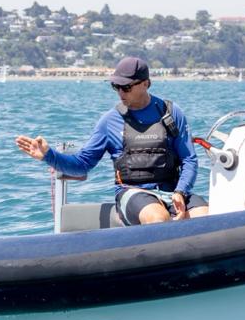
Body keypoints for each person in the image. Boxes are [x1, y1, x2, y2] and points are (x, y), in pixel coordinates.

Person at [15, 57, 208, 225]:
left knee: (206, 217)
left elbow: (189, 159)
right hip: (132, 192)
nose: (120, 93)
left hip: (173, 190)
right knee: (159, 218)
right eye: (116, 86)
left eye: (126, 87)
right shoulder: (109, 121)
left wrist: (181, 191)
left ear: (146, 84)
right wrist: (48, 156)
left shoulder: (171, 113)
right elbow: (82, 165)